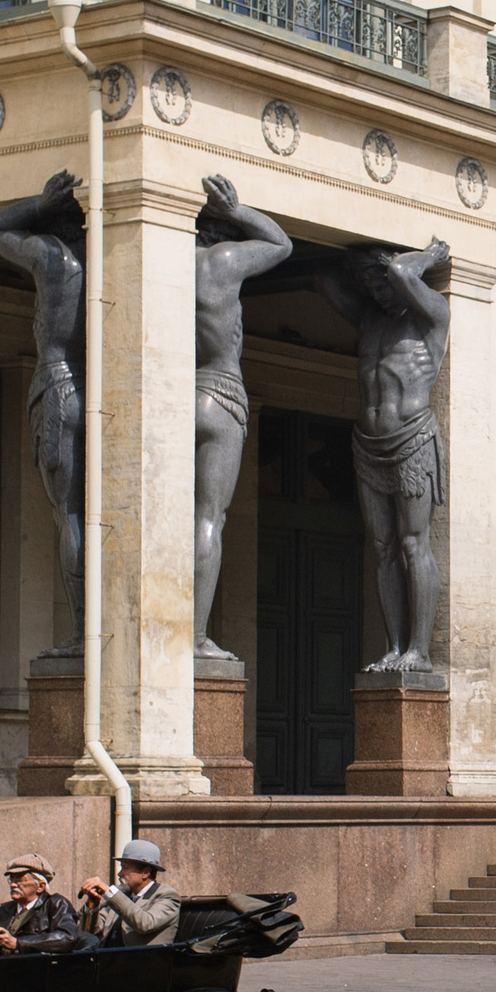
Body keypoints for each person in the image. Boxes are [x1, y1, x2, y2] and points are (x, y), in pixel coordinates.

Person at [323, 239, 452, 672]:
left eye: (381, 280)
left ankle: (420, 650)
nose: (378, 289)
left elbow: (399, 273)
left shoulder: (430, 316)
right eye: (368, 283)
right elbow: (321, 276)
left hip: (412, 439)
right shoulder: (369, 319)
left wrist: (429, 257)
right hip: (368, 444)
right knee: (383, 547)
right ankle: (395, 646)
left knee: (414, 543)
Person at [0, 172, 87, 649]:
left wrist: (40, 204)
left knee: (69, 514)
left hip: (58, 386)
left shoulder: (53, 257)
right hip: (102, 392)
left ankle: (84, 630)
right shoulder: (105, 259)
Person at [192, 176, 292, 660]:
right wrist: (238, 211)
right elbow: (281, 242)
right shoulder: (223, 262)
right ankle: (193, 636)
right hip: (221, 393)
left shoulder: (161, 261)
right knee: (208, 518)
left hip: (172, 395)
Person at [79, 839, 181, 948]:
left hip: (141, 962)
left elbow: (145, 923)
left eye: (125, 868)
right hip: (107, 960)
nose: (120, 873)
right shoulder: (124, 894)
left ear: (145, 872)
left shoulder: (167, 896)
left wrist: (109, 892)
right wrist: (92, 905)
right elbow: (92, 931)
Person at [0, 854, 82, 954]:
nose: (13, 884)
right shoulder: (5, 910)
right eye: (11, 879)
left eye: (20, 880)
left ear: (40, 886)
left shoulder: (56, 904)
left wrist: (18, 943)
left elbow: (67, 938)